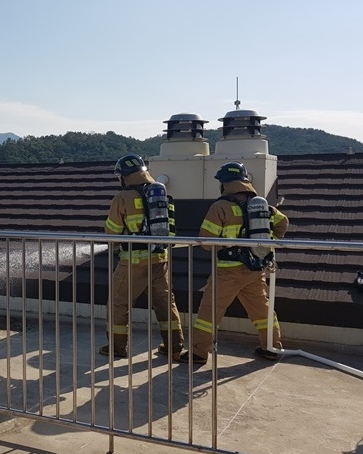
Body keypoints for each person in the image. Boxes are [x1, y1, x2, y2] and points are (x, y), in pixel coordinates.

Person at [180, 161, 289, 367]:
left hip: (228, 271)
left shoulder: (220, 207)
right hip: (255, 269)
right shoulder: (260, 204)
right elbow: (283, 223)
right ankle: (271, 347)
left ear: (224, 183)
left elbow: (206, 241)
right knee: (262, 310)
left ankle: (198, 352)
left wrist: (225, 245)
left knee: (210, 311)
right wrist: (269, 241)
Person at [100, 153, 184, 361]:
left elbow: (112, 231)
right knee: (165, 303)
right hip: (160, 258)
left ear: (124, 176)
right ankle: (174, 347)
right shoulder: (160, 194)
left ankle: (117, 347)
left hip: (133, 261)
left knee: (119, 303)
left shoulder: (122, 198)